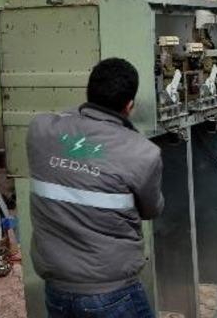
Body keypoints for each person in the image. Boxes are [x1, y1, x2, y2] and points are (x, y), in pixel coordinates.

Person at [27, 58, 163, 318]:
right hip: (112, 291)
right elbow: (152, 209)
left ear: (87, 94)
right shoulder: (142, 153)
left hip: (56, 286)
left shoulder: (40, 130)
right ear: (129, 105)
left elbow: (74, 128)